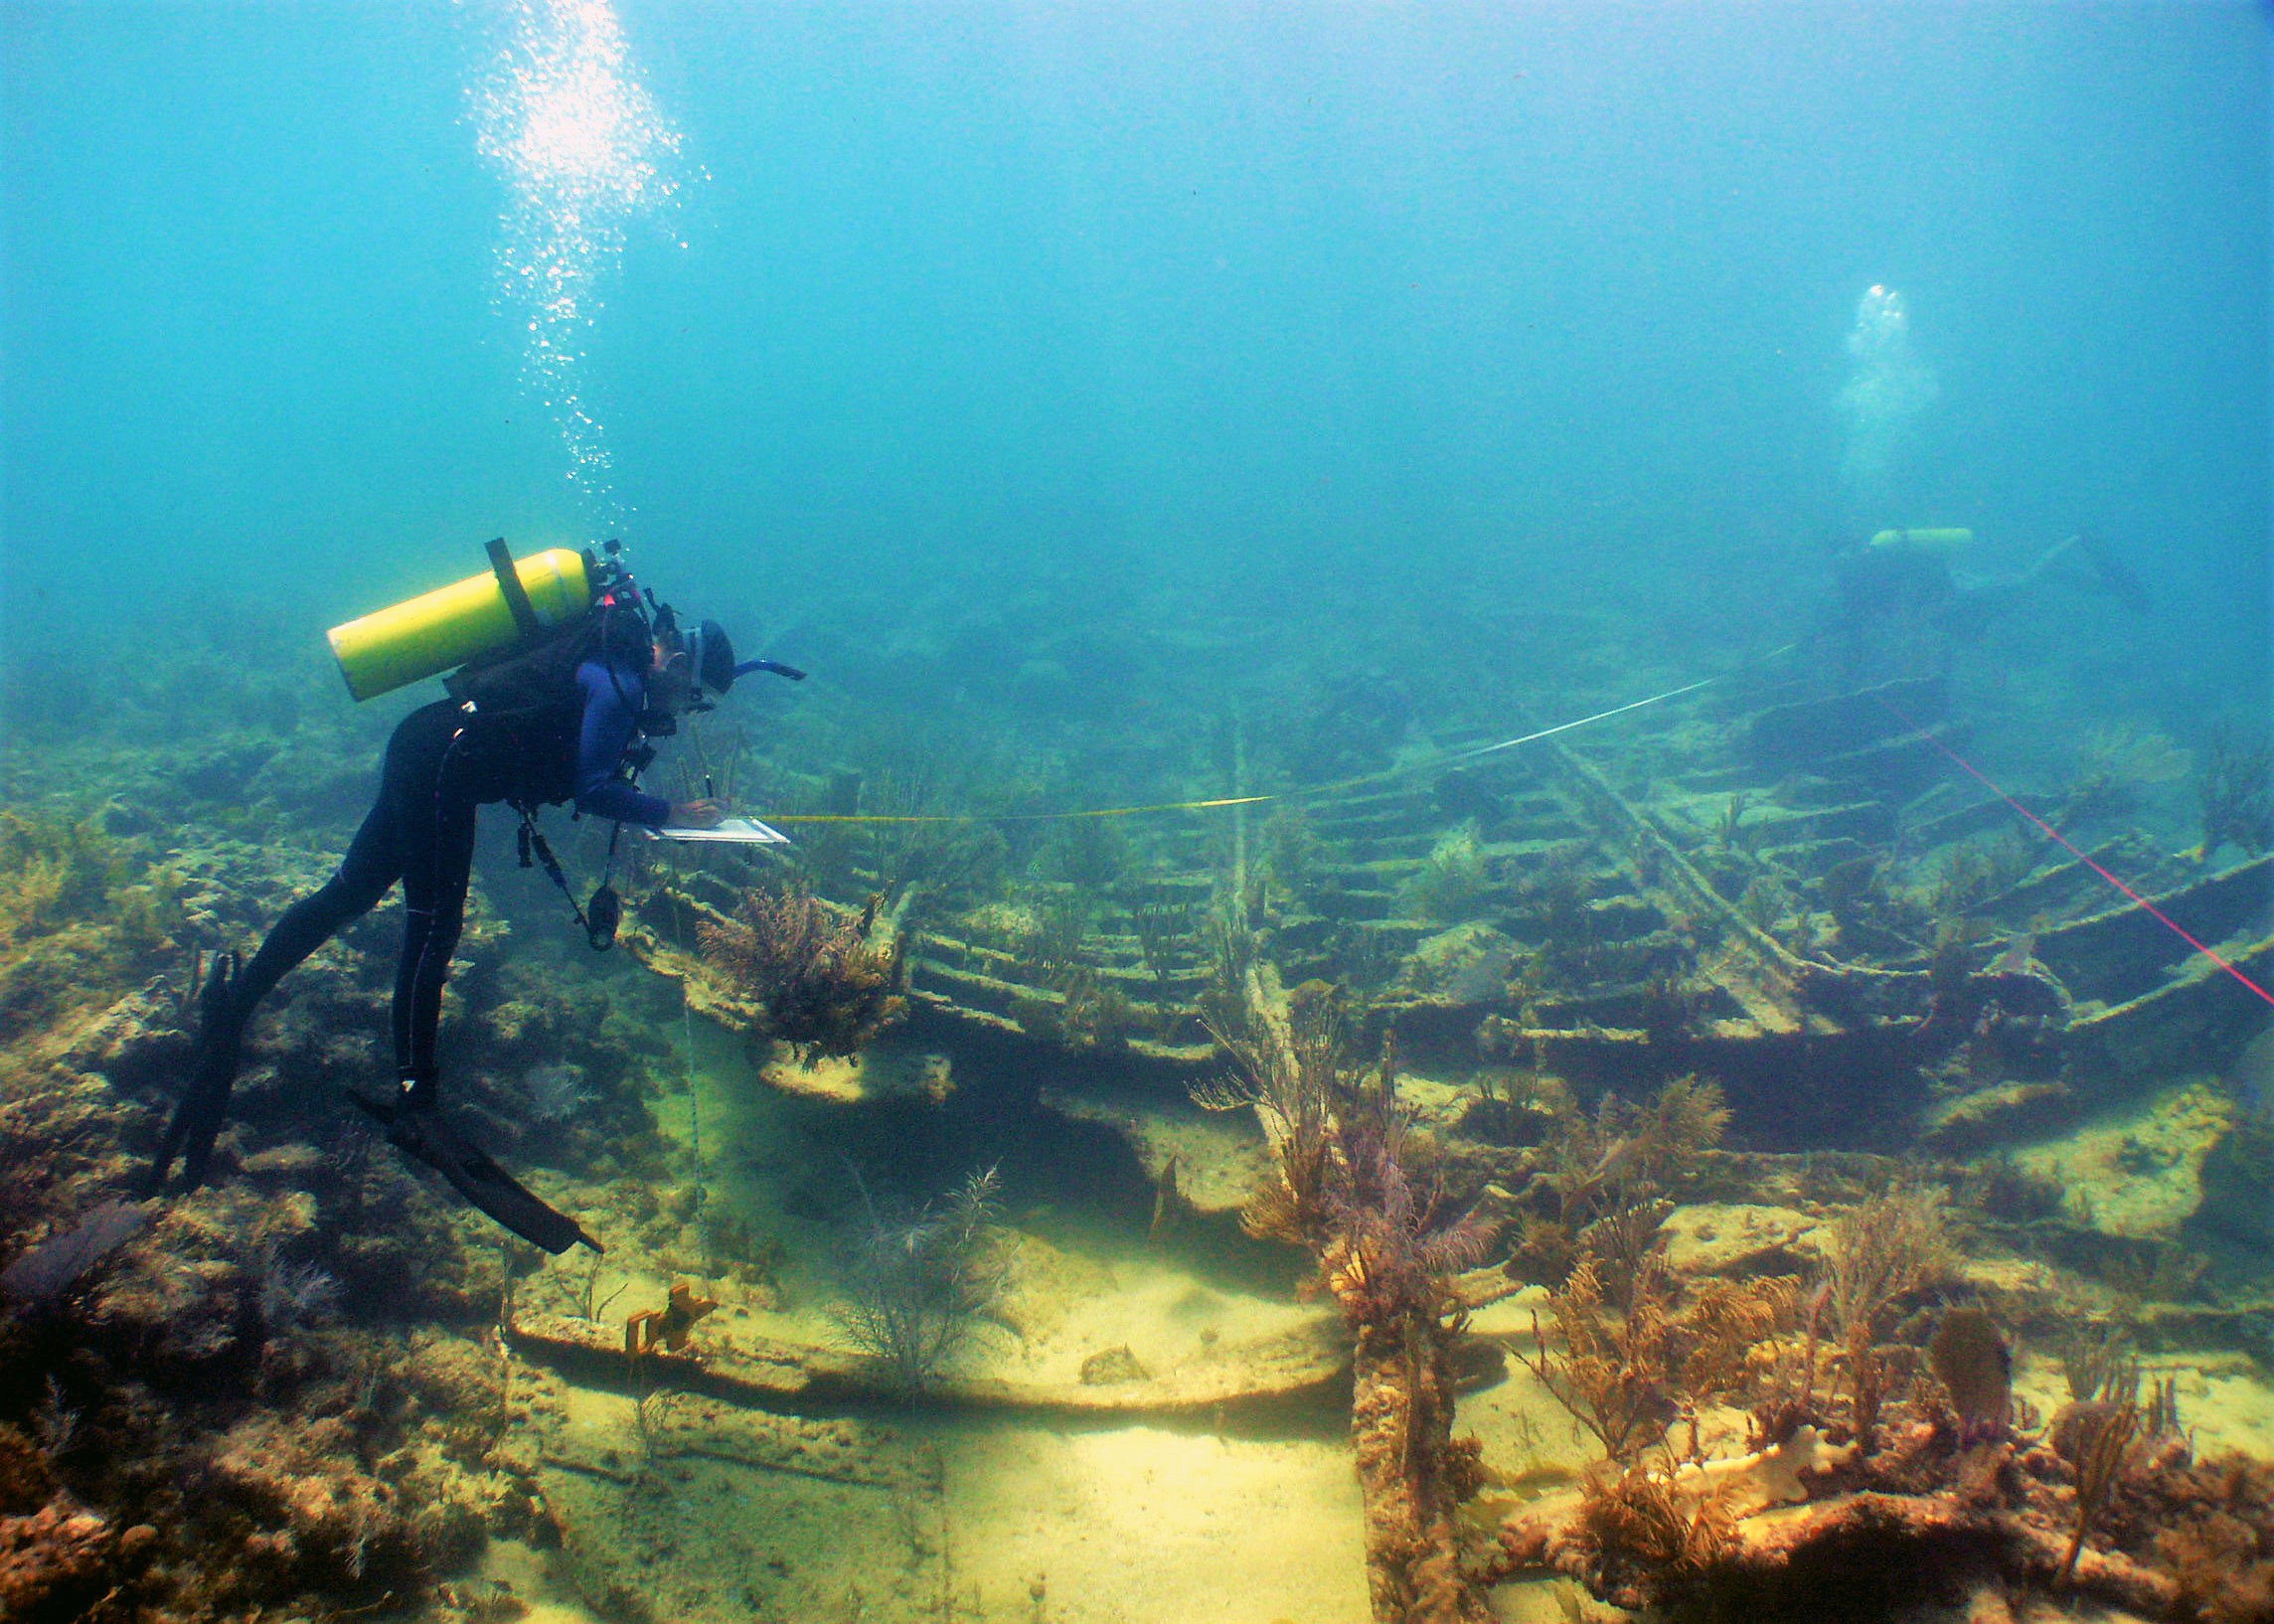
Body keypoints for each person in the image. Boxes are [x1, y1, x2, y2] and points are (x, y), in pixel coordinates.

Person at [149, 597, 777, 1254]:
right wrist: (672, 811)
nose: (682, 712)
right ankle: (416, 1102)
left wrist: (670, 795)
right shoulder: (617, 684)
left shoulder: (613, 663)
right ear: (674, 661)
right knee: (433, 931)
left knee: (352, 892)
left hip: (427, 744)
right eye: (692, 697)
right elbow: (592, 789)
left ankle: (239, 1002)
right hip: (441, 766)